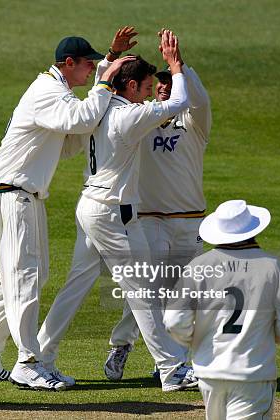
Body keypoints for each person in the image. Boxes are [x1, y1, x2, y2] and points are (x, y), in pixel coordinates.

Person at [0, 28, 136, 391]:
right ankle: (28, 362)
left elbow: (74, 138)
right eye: (89, 64)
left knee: (21, 275)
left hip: (23, 194)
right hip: (15, 192)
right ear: (68, 64)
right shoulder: (47, 91)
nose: (92, 70)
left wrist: (109, 59)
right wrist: (107, 84)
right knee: (24, 278)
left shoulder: (59, 92)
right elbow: (80, 121)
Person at [36, 29, 193, 391]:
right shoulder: (128, 116)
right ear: (133, 87)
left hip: (92, 205)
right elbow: (178, 104)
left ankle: (40, 357)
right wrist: (175, 66)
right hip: (112, 212)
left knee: (78, 284)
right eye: (147, 87)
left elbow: (104, 82)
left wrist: (111, 56)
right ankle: (172, 369)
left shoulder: (102, 103)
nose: (149, 95)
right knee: (142, 289)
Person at [104, 37, 212, 386]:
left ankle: (172, 363)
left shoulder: (194, 125)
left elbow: (200, 100)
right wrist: (114, 59)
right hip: (147, 220)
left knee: (180, 297)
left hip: (188, 221)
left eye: (169, 83)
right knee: (144, 291)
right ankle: (123, 344)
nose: (164, 88)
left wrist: (179, 65)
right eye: (159, 84)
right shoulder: (140, 120)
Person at [163, 199, 280, 419]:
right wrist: (265, 336)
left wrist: (196, 340)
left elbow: (174, 321)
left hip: (208, 373)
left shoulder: (198, 266)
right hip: (251, 374)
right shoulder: (272, 266)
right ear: (252, 230)